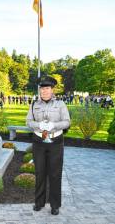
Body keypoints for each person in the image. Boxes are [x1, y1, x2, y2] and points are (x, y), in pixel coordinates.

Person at [26, 76, 70, 216]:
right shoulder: (34, 104)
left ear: (52, 90)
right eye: (42, 89)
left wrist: (53, 125)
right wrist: (38, 125)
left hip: (55, 142)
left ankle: (55, 205)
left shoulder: (60, 104)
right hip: (39, 142)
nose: (44, 91)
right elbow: (28, 121)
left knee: (55, 174)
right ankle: (39, 203)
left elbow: (67, 122)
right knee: (40, 173)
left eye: (47, 88)